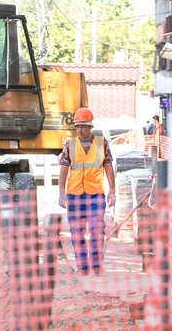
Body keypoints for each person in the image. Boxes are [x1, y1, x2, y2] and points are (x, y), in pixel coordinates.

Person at [58, 108, 116, 276]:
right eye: (77, 126)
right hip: (75, 195)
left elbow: (108, 167)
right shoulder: (70, 145)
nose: (79, 130)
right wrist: (61, 193)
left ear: (90, 126)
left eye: (83, 126)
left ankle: (97, 265)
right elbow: (63, 169)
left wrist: (112, 191)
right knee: (77, 232)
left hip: (95, 194)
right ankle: (83, 268)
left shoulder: (102, 143)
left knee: (97, 229)